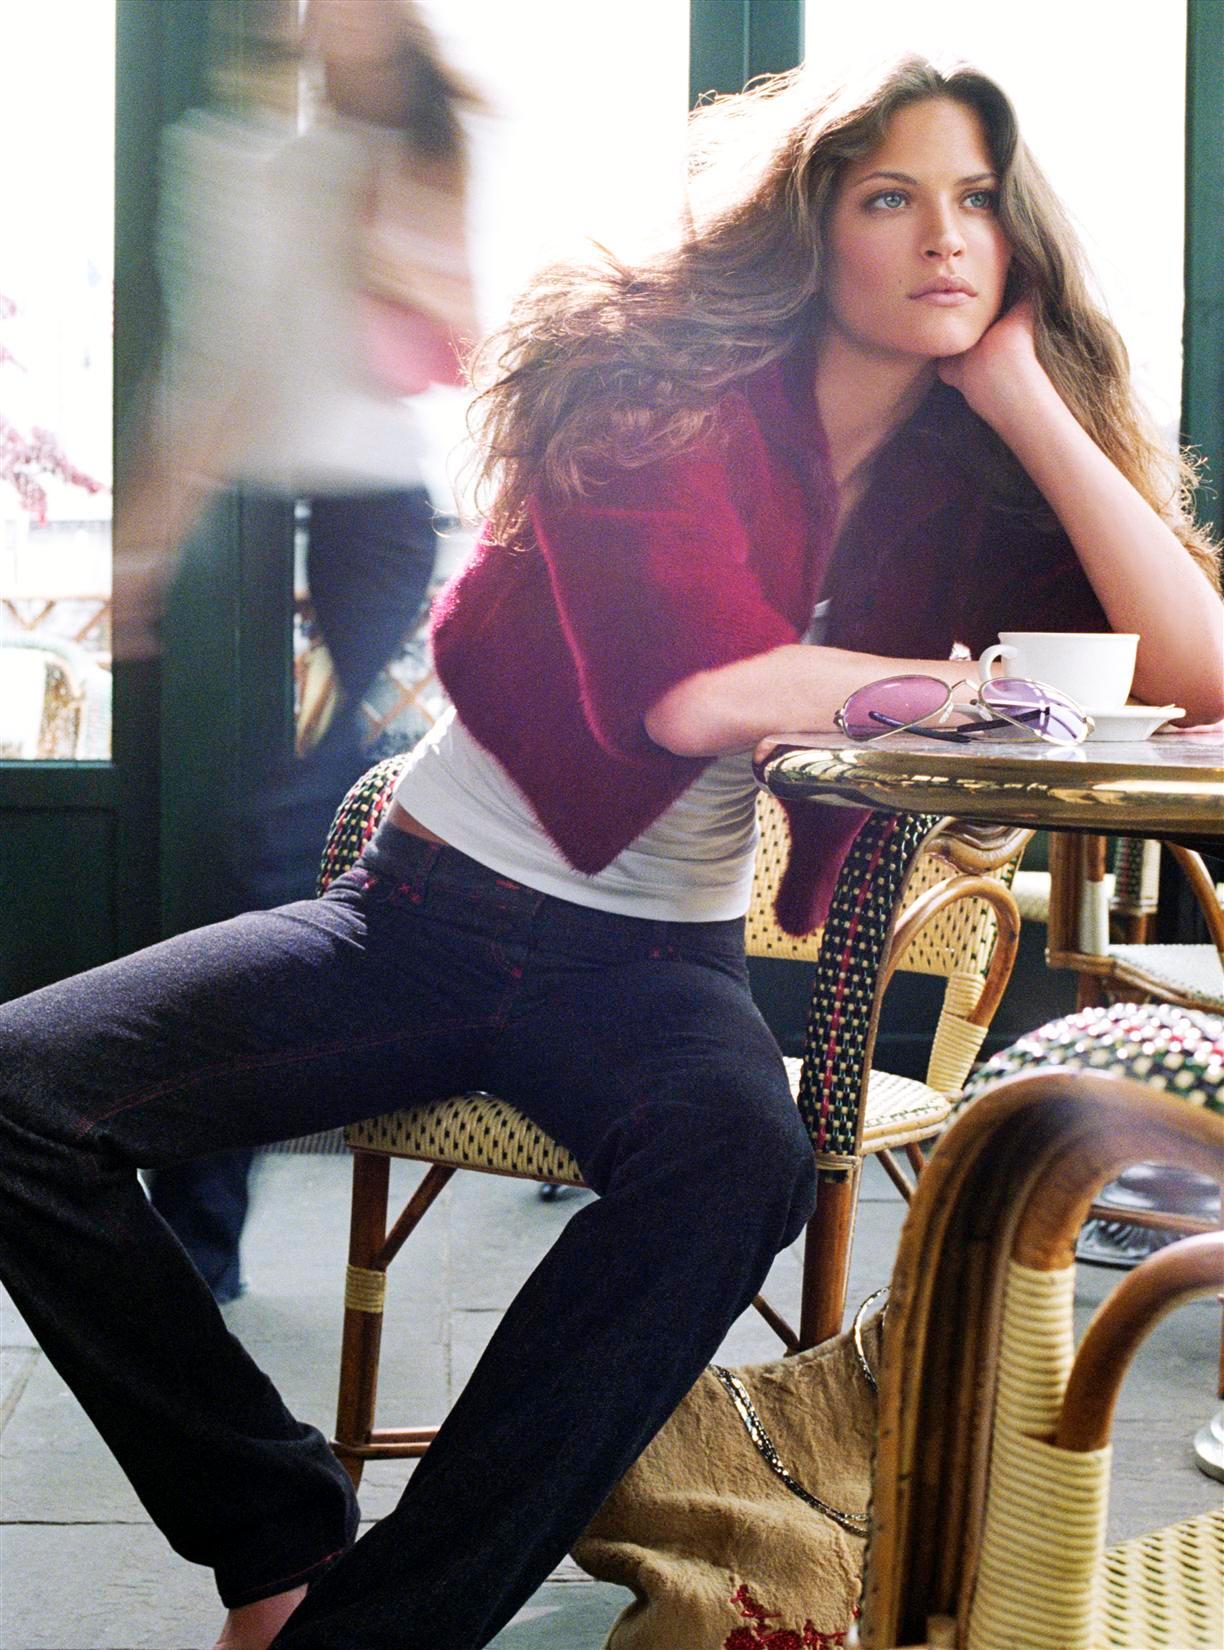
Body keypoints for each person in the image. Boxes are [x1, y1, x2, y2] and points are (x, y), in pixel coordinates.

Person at [2, 53, 1221, 1650]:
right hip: (423, 912)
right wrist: (938, 687)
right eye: (891, 197)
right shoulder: (657, 398)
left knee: (741, 1161)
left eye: (979, 200)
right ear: (811, 229)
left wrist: (1025, 397)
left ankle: (371, 1629)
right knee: (23, 1093)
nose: (945, 234)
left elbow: (1200, 674)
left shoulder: (953, 489)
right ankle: (275, 1530)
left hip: (654, 965)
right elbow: (690, 693)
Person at [119, 0, 479, 1302]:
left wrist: (380, 243)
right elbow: (206, 374)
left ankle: (199, 1227)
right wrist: (146, 549)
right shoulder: (231, 156)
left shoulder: (416, 148)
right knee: (249, 865)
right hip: (252, 530)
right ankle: (198, 1221)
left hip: (371, 532)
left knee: (269, 855)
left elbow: (466, 338)